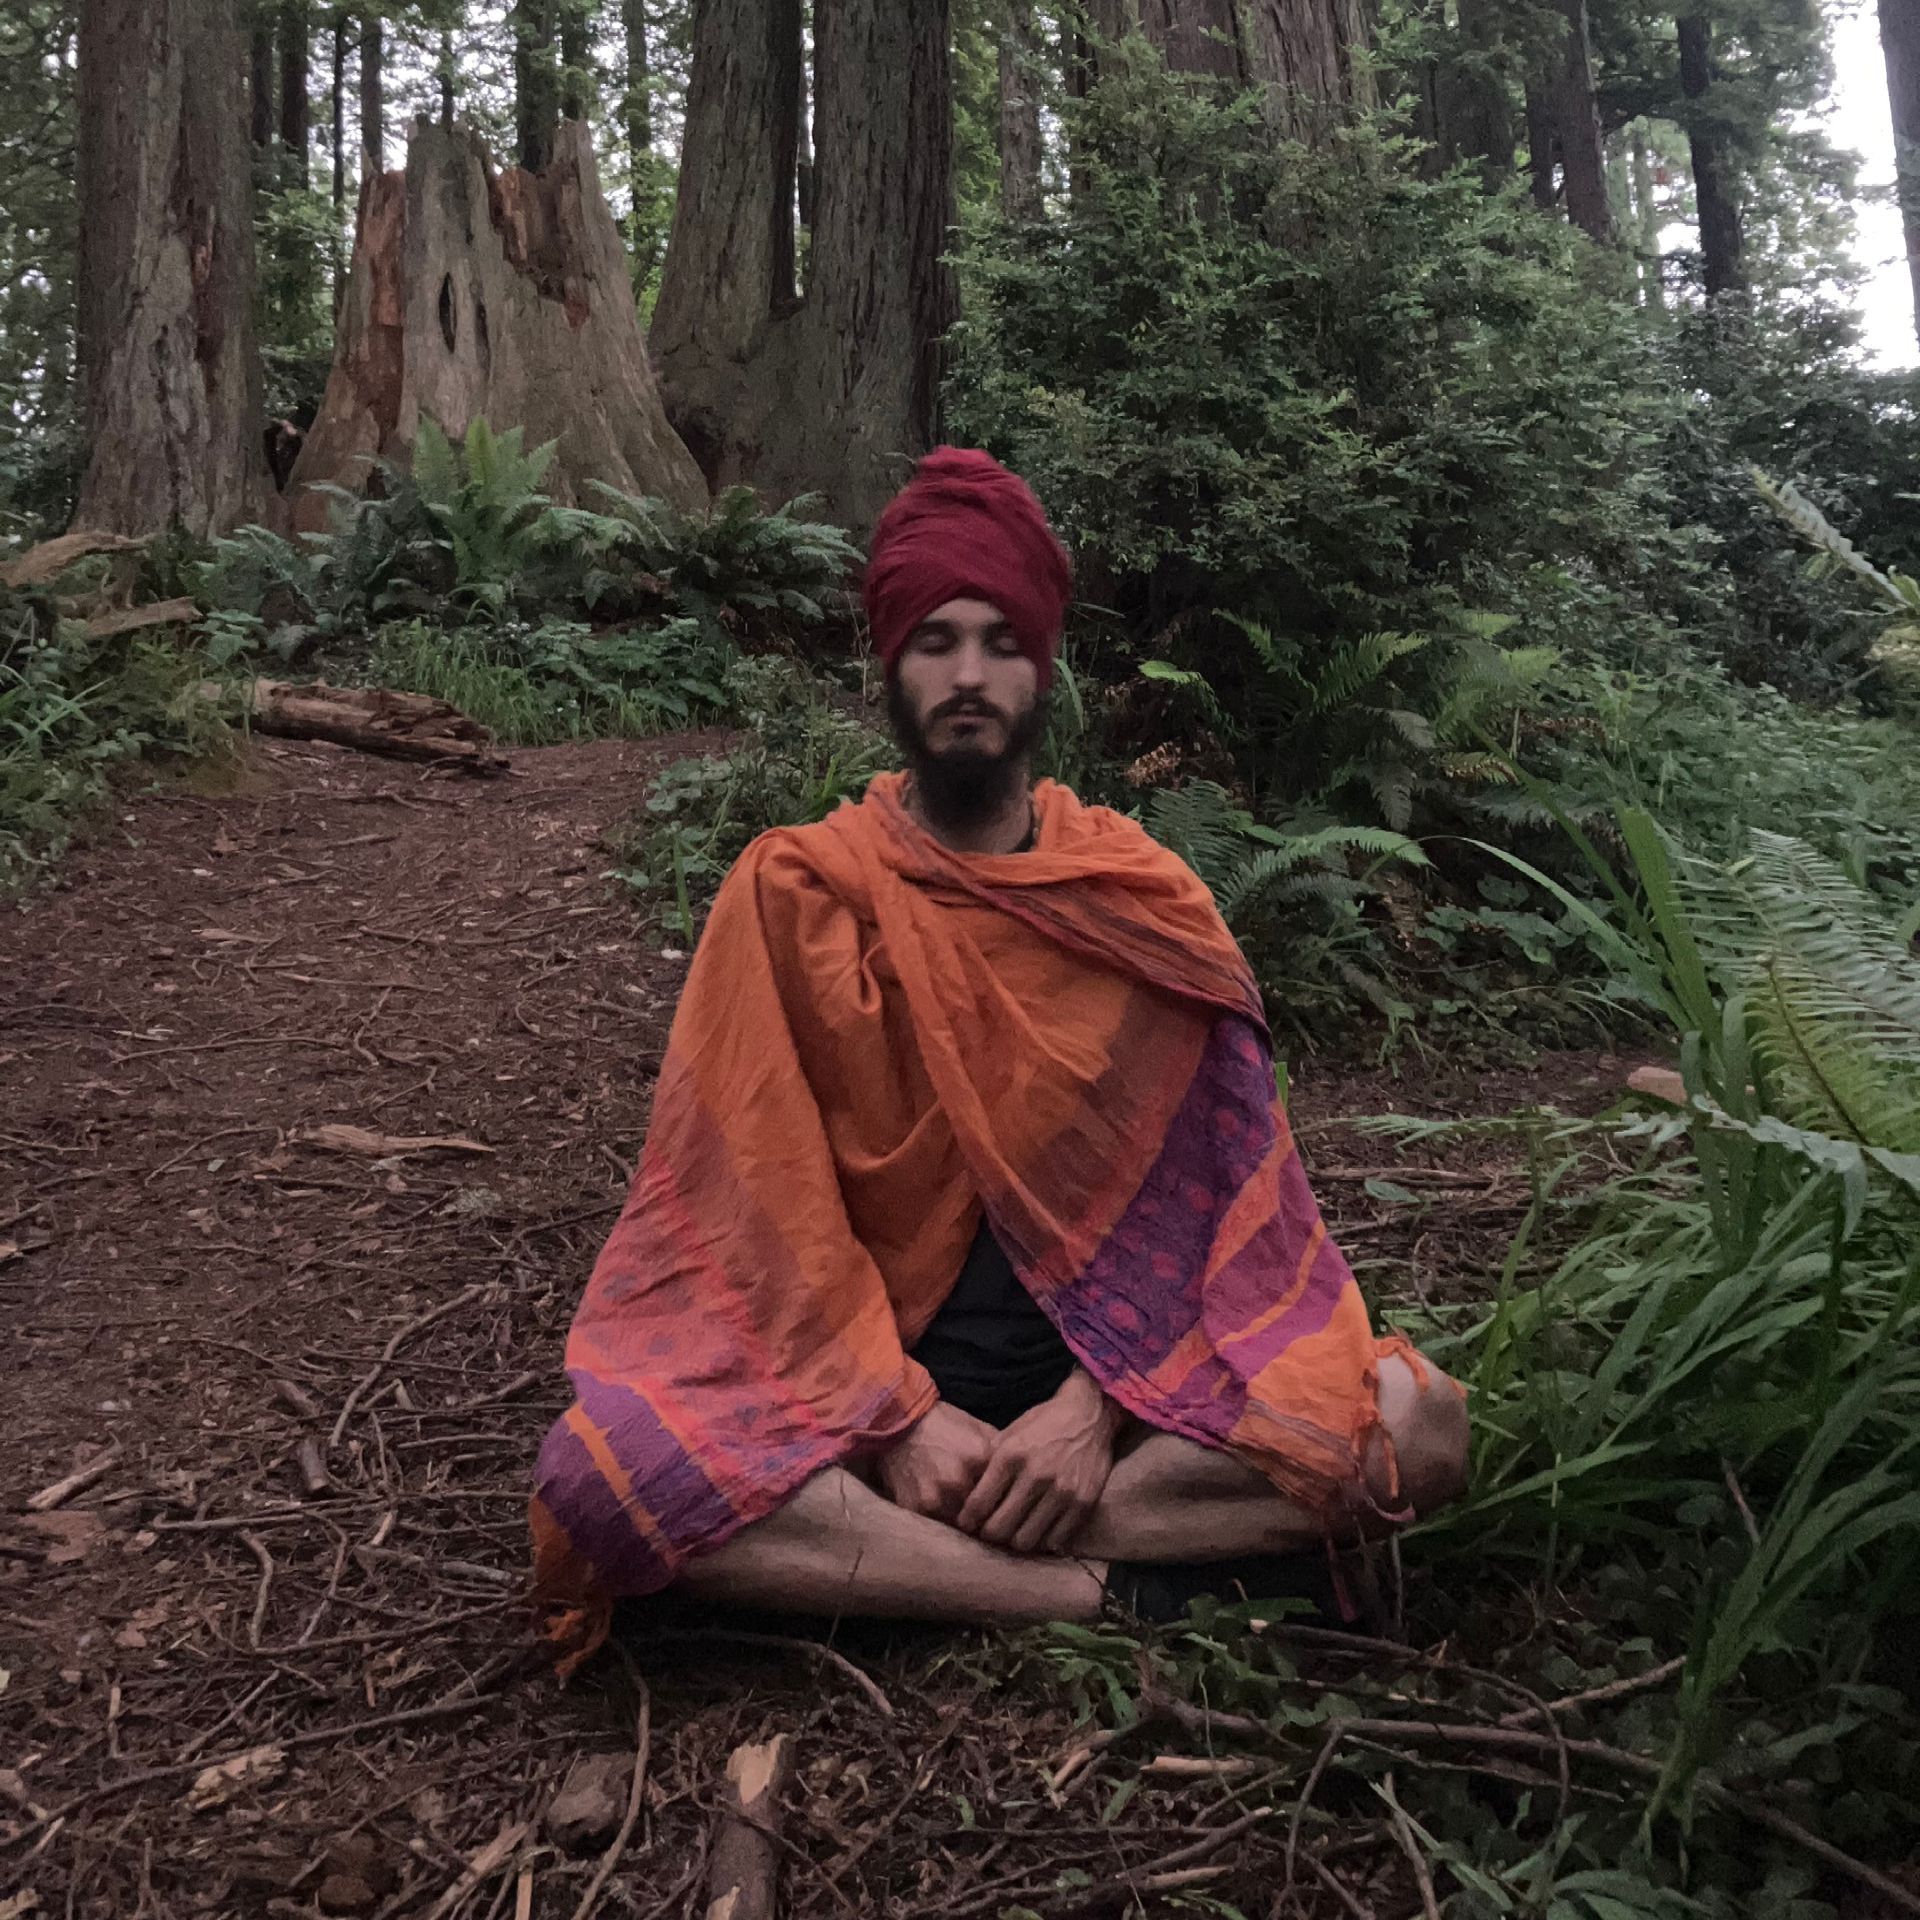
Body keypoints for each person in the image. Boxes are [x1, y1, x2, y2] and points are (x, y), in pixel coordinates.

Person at [531, 449, 1467, 1655]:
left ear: (1044, 666)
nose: (967, 673)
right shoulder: (797, 894)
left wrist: (1094, 1414)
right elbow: (757, 1232)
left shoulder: (1141, 901)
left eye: (999, 640)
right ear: (888, 666)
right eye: (934, 641)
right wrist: (899, 1420)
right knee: (600, 1481)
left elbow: (1227, 1233)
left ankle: (920, 1579)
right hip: (873, 1416)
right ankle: (1096, 1596)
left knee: (1422, 1424)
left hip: (1124, 1413)